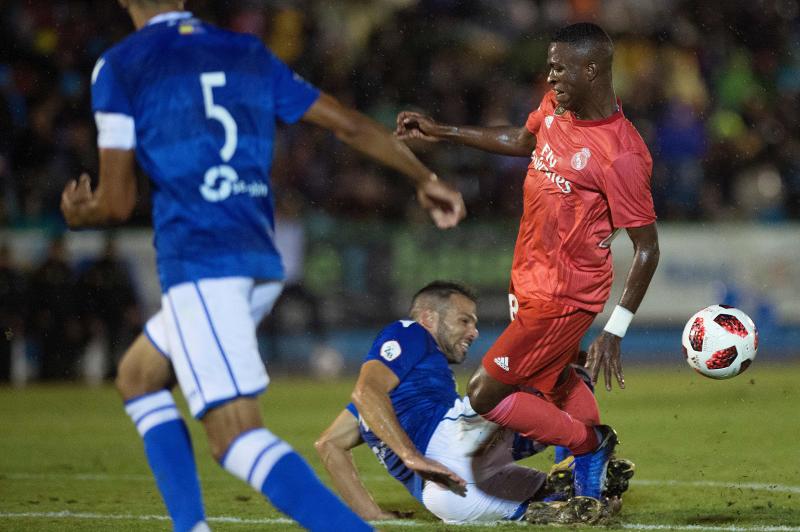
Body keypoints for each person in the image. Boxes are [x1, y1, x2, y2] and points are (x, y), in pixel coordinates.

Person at [60, 2, 465, 531]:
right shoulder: (244, 50)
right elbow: (345, 124)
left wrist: (80, 210)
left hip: (203, 260)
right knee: (138, 376)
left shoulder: (119, 65)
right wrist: (420, 176)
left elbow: (115, 201)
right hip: (256, 257)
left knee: (235, 437)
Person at [396, 22, 660, 504]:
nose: (551, 75)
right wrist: (443, 132)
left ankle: (591, 446)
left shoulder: (620, 154)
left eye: (560, 67)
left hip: (564, 297)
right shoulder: (557, 109)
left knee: (484, 394)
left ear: (592, 70)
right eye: (550, 66)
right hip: (530, 281)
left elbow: (647, 247)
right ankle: (590, 482)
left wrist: (615, 328)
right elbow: (522, 142)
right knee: (557, 381)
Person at [315, 281, 634, 524]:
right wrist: (412, 456)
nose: (473, 331)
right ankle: (584, 455)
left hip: (447, 499)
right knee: (558, 372)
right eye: (464, 320)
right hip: (455, 445)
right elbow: (366, 391)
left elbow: (329, 444)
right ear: (428, 317)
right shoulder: (407, 332)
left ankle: (584, 482)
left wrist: (373, 516)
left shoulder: (386, 407)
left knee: (579, 503)